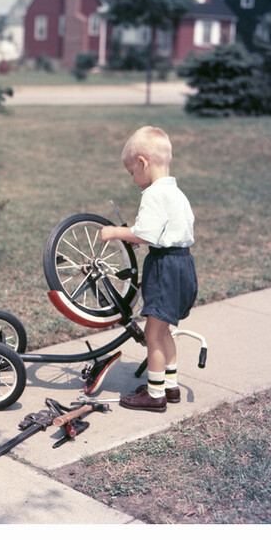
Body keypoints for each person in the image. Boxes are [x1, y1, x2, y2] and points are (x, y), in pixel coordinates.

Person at [100, 126, 198, 412]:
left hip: (165, 265)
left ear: (142, 162)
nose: (133, 180)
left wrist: (115, 232)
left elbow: (146, 234)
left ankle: (154, 395)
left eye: (131, 172)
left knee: (152, 334)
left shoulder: (153, 194)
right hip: (183, 264)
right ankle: (171, 386)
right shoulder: (178, 194)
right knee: (165, 329)